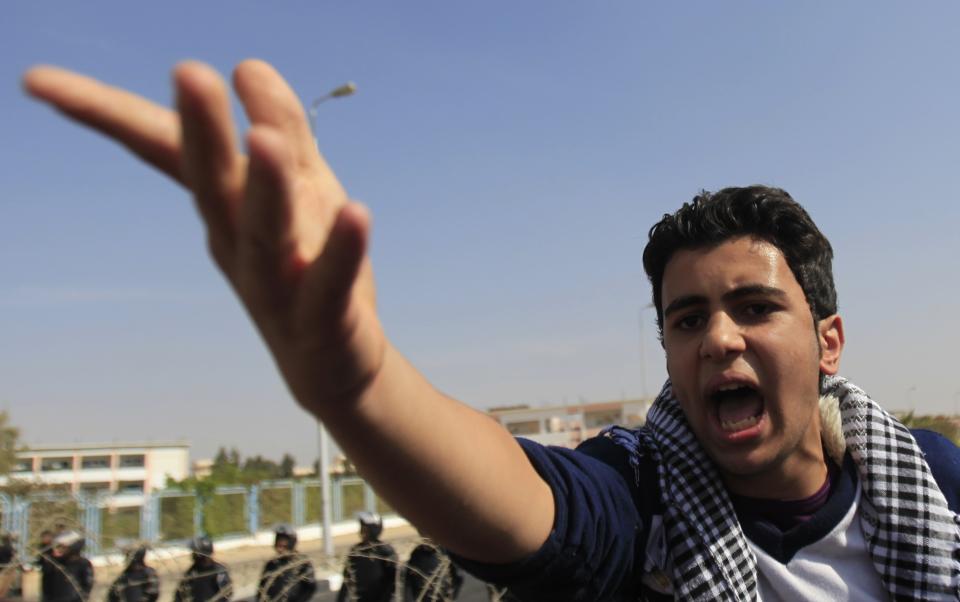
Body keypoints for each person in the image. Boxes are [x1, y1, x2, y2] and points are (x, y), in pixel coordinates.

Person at [23, 60, 960, 600]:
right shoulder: (643, 499)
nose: (717, 338)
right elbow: (520, 499)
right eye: (687, 318)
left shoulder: (931, 483)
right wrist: (358, 386)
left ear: (828, 341)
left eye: (755, 308)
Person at [336, 512, 397, 602]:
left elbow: (393, 582)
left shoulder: (385, 551)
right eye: (362, 529)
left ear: (373, 530)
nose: (362, 532)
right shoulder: (356, 550)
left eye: (365, 529)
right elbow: (347, 580)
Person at [255, 525, 316, 602]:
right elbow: (261, 590)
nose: (280, 544)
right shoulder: (271, 564)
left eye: (283, 540)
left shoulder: (302, 563)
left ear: (292, 541)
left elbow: (309, 587)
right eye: (278, 539)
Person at [174, 536, 232, 602]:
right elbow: (179, 596)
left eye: (195, 553)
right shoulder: (192, 573)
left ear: (201, 555)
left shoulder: (219, 571)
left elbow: (227, 593)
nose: (193, 555)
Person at [42, 530, 93, 602]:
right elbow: (46, 587)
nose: (57, 550)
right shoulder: (53, 564)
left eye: (62, 547)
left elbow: (86, 587)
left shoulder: (83, 564)